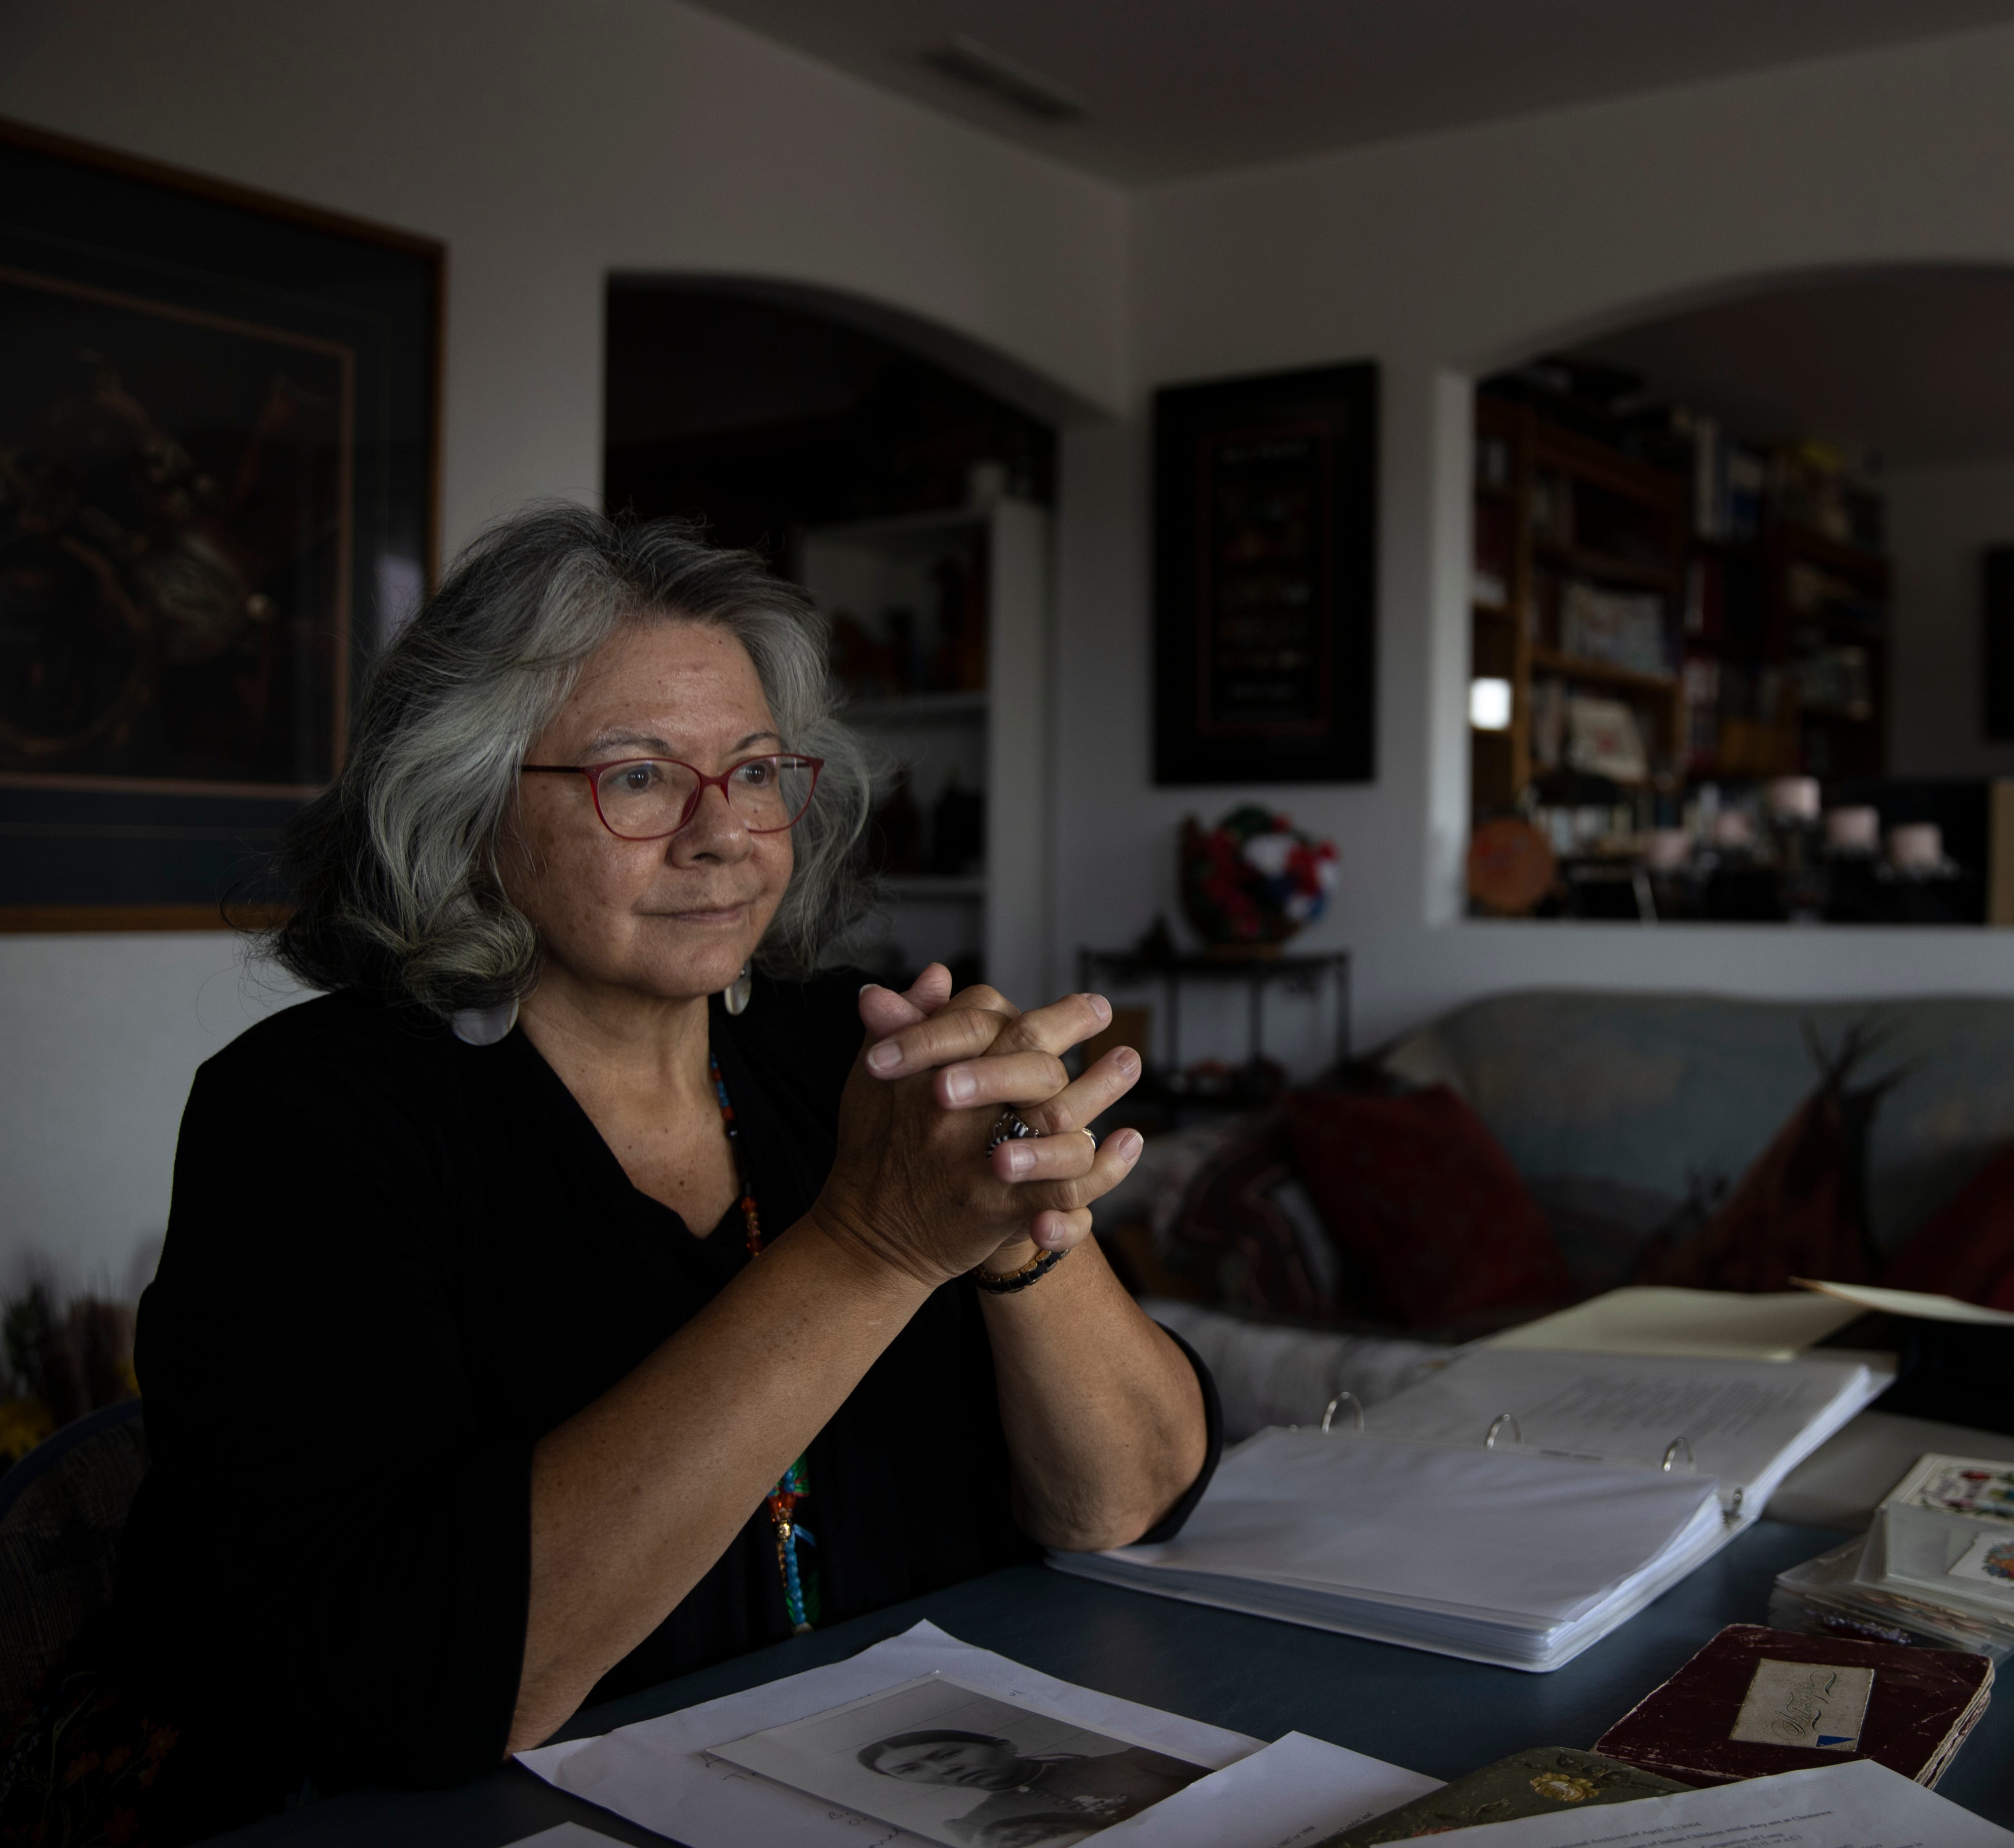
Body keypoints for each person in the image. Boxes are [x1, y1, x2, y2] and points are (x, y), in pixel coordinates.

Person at [97, 506, 1219, 1840]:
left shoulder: (847, 1054)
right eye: (636, 776)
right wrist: (874, 1248)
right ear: (468, 808)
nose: (723, 833)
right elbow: (416, 1684)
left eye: (753, 773)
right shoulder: (311, 1116)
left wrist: (1018, 1225)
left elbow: (1125, 1500)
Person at [857, 1726, 1200, 1828]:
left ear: (1006, 1745)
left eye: (948, 1754)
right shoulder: (975, 1829)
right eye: (911, 1770)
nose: (944, 1770)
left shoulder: (1140, 1759)